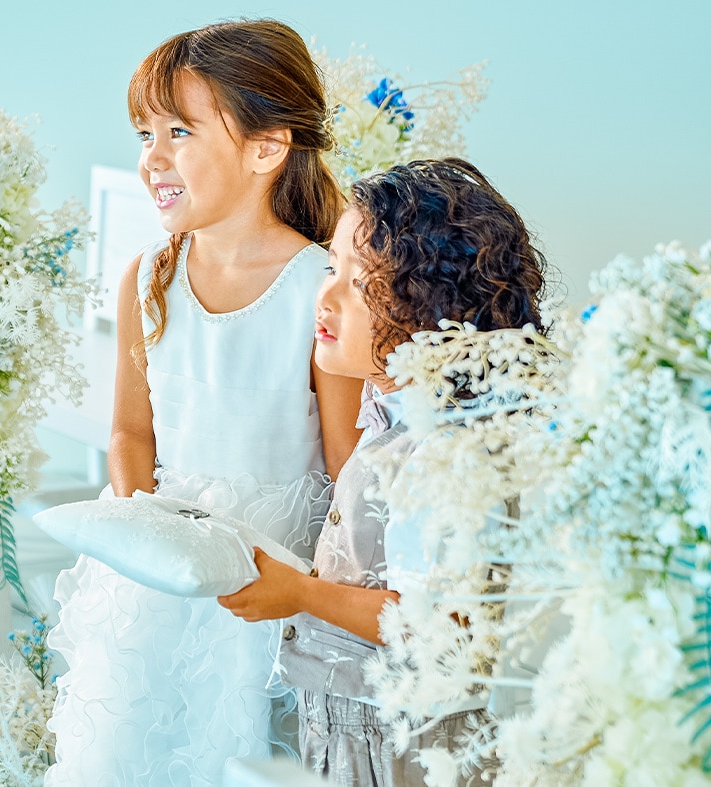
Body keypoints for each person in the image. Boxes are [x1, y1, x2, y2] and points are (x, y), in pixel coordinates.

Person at [45, 19, 363, 786]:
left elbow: (346, 469)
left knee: (240, 755)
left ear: (267, 147)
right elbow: (130, 433)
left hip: (268, 580)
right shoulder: (148, 277)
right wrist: (145, 538)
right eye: (145, 133)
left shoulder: (318, 290)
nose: (152, 157)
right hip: (157, 570)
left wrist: (315, 592)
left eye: (179, 131)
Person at [218, 158, 551, 786]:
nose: (326, 297)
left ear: (433, 306)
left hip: (398, 740)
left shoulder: (447, 453)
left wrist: (301, 594)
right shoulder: (391, 414)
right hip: (353, 720)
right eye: (331, 269)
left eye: (361, 282)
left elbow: (444, 629)